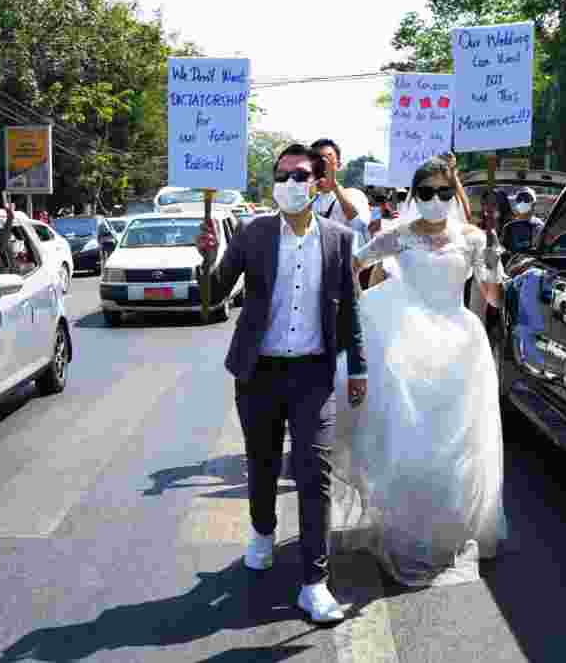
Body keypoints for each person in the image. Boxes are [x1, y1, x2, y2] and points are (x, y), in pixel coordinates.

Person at [195, 143, 367, 624]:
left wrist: (358, 367)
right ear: (273, 183)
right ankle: (263, 530)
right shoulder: (252, 233)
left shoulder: (337, 239)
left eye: (301, 175)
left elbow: (350, 310)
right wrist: (204, 257)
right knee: (263, 462)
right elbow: (213, 297)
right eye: (283, 175)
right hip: (259, 374)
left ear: (317, 183)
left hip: (313, 374)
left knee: (314, 474)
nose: (292, 183)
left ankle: (315, 582)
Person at [329, 155, 510, 587]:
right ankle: (405, 528)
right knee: (408, 440)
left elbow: (494, 297)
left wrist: (491, 258)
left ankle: (446, 528)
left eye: (443, 192)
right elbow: (351, 265)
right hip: (405, 347)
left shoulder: (472, 238)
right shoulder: (399, 236)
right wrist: (364, 311)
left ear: (453, 194)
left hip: (459, 348)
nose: (434, 200)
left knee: (454, 445)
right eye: (425, 192)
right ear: (414, 196)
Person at [310, 139, 373, 286]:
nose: (323, 167)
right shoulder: (307, 199)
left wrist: (334, 187)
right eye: (317, 162)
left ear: (338, 165)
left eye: (328, 161)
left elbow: (360, 224)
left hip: (346, 279)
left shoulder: (353, 194)